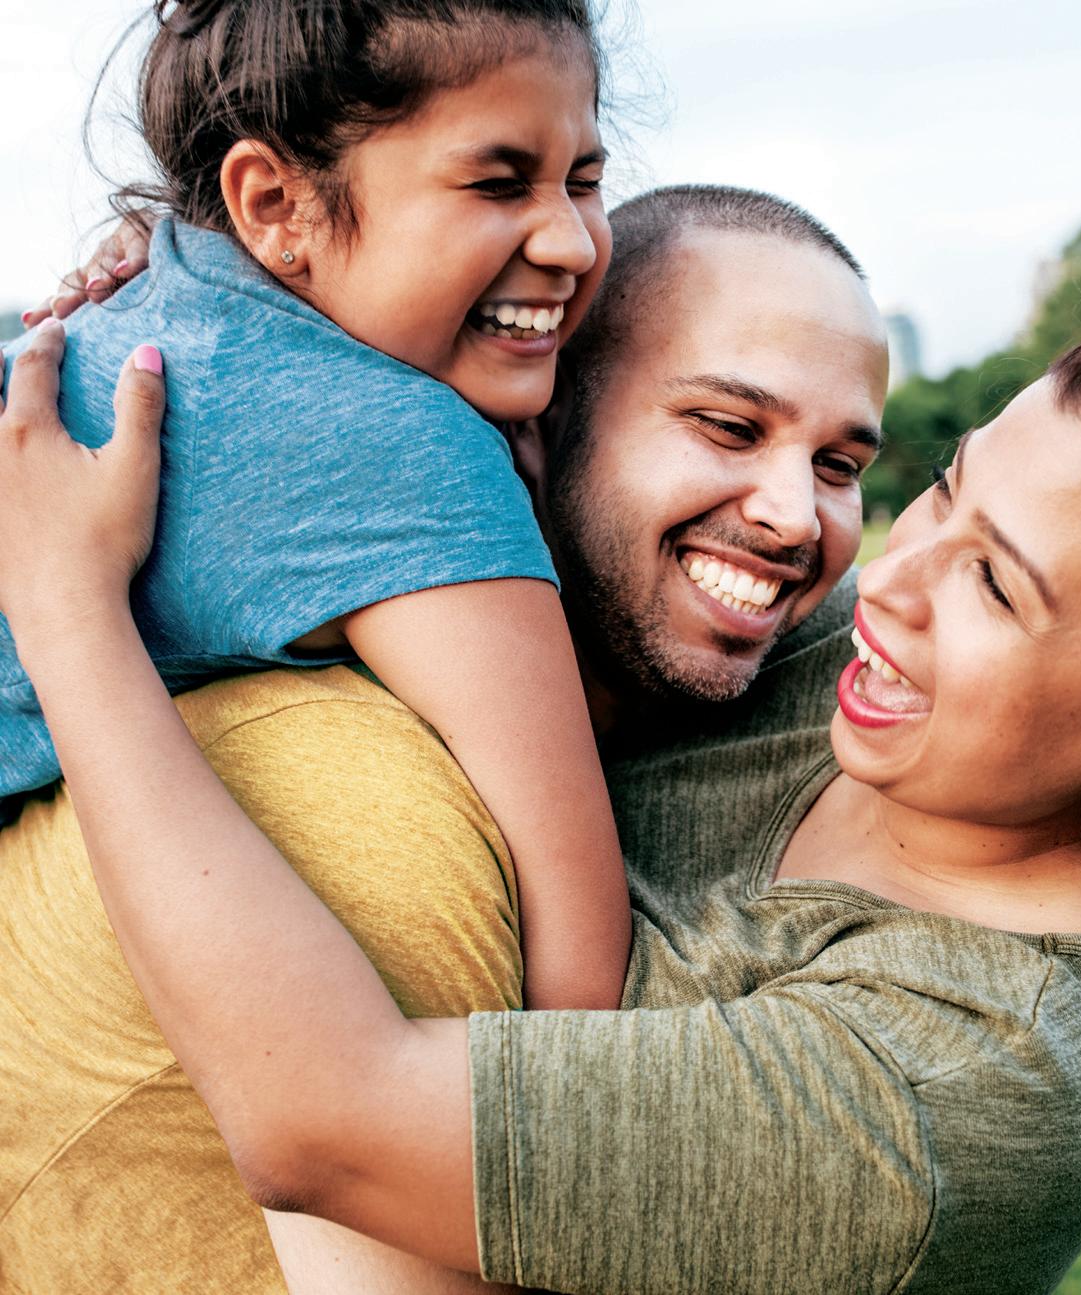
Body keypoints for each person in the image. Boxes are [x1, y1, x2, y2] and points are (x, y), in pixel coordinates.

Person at [10, 206, 1081, 1293]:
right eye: (942, 489)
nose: (880, 579)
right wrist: (210, 287)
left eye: (994, 584)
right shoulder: (837, 663)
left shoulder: (963, 1087)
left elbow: (327, 1122)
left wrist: (69, 609)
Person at [0, 186, 890, 1293]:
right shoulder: (376, 817)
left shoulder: (760, 690)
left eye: (841, 466)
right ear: (531, 422)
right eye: (727, 427)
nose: (797, 516)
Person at [0, 0, 633, 1015]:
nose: (572, 242)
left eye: (585, 181)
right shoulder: (397, 439)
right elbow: (580, 983)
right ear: (272, 204)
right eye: (497, 183)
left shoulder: (152, 308)